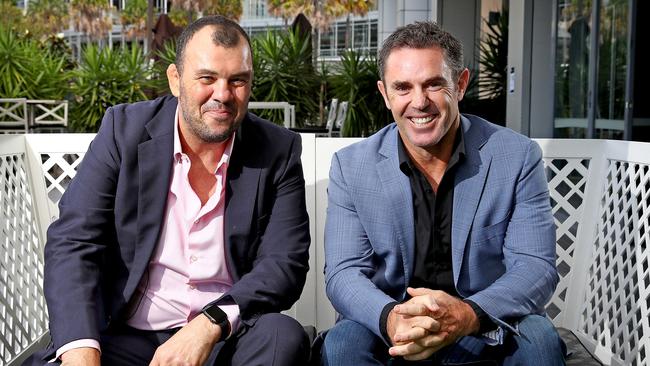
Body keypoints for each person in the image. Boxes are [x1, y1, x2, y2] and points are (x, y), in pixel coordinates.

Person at [26, 15, 310, 366]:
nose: (222, 95)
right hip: (127, 334)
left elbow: (285, 264)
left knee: (283, 336)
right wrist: (82, 354)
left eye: (237, 81)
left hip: (225, 340)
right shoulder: (123, 131)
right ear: (175, 80)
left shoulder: (277, 151)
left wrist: (211, 323)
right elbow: (74, 241)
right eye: (207, 78)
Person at [322, 21, 565, 365]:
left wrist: (467, 314)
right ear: (385, 93)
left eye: (434, 84)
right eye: (402, 87)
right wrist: (392, 318)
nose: (419, 102)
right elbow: (344, 273)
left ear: (461, 84)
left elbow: (536, 267)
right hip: (394, 329)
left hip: (482, 325)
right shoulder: (352, 166)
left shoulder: (516, 157)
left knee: (539, 339)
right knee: (343, 343)